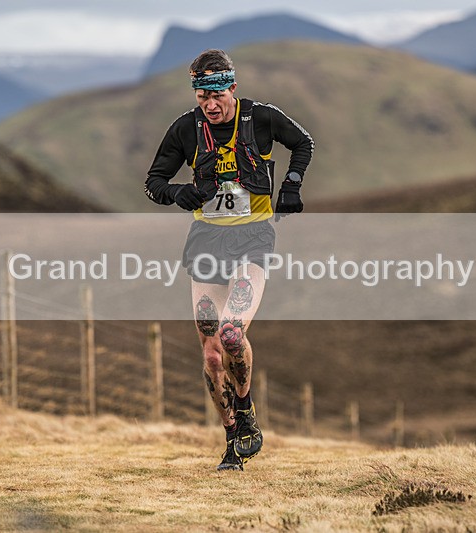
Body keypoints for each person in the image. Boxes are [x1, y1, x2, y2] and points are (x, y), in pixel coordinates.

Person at [144, 49, 314, 470]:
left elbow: (303, 144)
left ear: (232, 88)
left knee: (232, 333)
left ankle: (246, 411)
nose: (211, 104)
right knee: (213, 354)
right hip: (206, 241)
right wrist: (177, 193)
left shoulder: (261, 119)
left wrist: (290, 187)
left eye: (217, 94)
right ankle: (232, 439)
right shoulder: (186, 128)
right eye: (203, 96)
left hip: (253, 238)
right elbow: (153, 182)